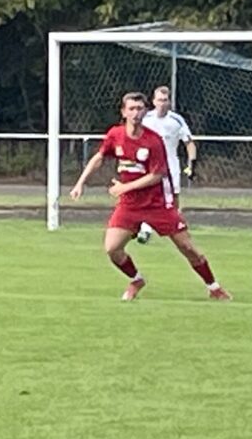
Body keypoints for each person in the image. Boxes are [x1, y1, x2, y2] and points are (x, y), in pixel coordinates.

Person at [69, 90, 229, 301]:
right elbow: (99, 157)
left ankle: (214, 288)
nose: (136, 113)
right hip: (129, 205)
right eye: (131, 108)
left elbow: (157, 175)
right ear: (123, 112)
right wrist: (80, 183)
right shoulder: (115, 134)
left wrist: (125, 187)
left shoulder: (153, 140)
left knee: (187, 247)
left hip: (157, 203)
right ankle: (136, 280)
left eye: (139, 108)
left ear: (145, 111)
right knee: (112, 249)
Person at [138, 83, 198, 243]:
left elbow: (189, 143)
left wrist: (191, 164)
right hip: (149, 165)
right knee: (147, 196)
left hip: (170, 165)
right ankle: (145, 228)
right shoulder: (145, 119)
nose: (162, 103)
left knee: (173, 197)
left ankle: (176, 225)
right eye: (159, 100)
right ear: (153, 101)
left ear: (169, 102)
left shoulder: (176, 120)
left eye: (165, 100)